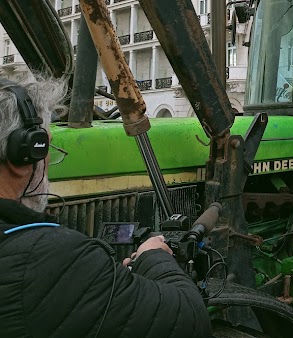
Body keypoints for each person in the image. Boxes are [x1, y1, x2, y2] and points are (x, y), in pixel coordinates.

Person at [0, 75, 211, 337]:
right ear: (23, 155)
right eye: (48, 149)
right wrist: (153, 257)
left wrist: (107, 284)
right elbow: (192, 322)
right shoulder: (47, 259)